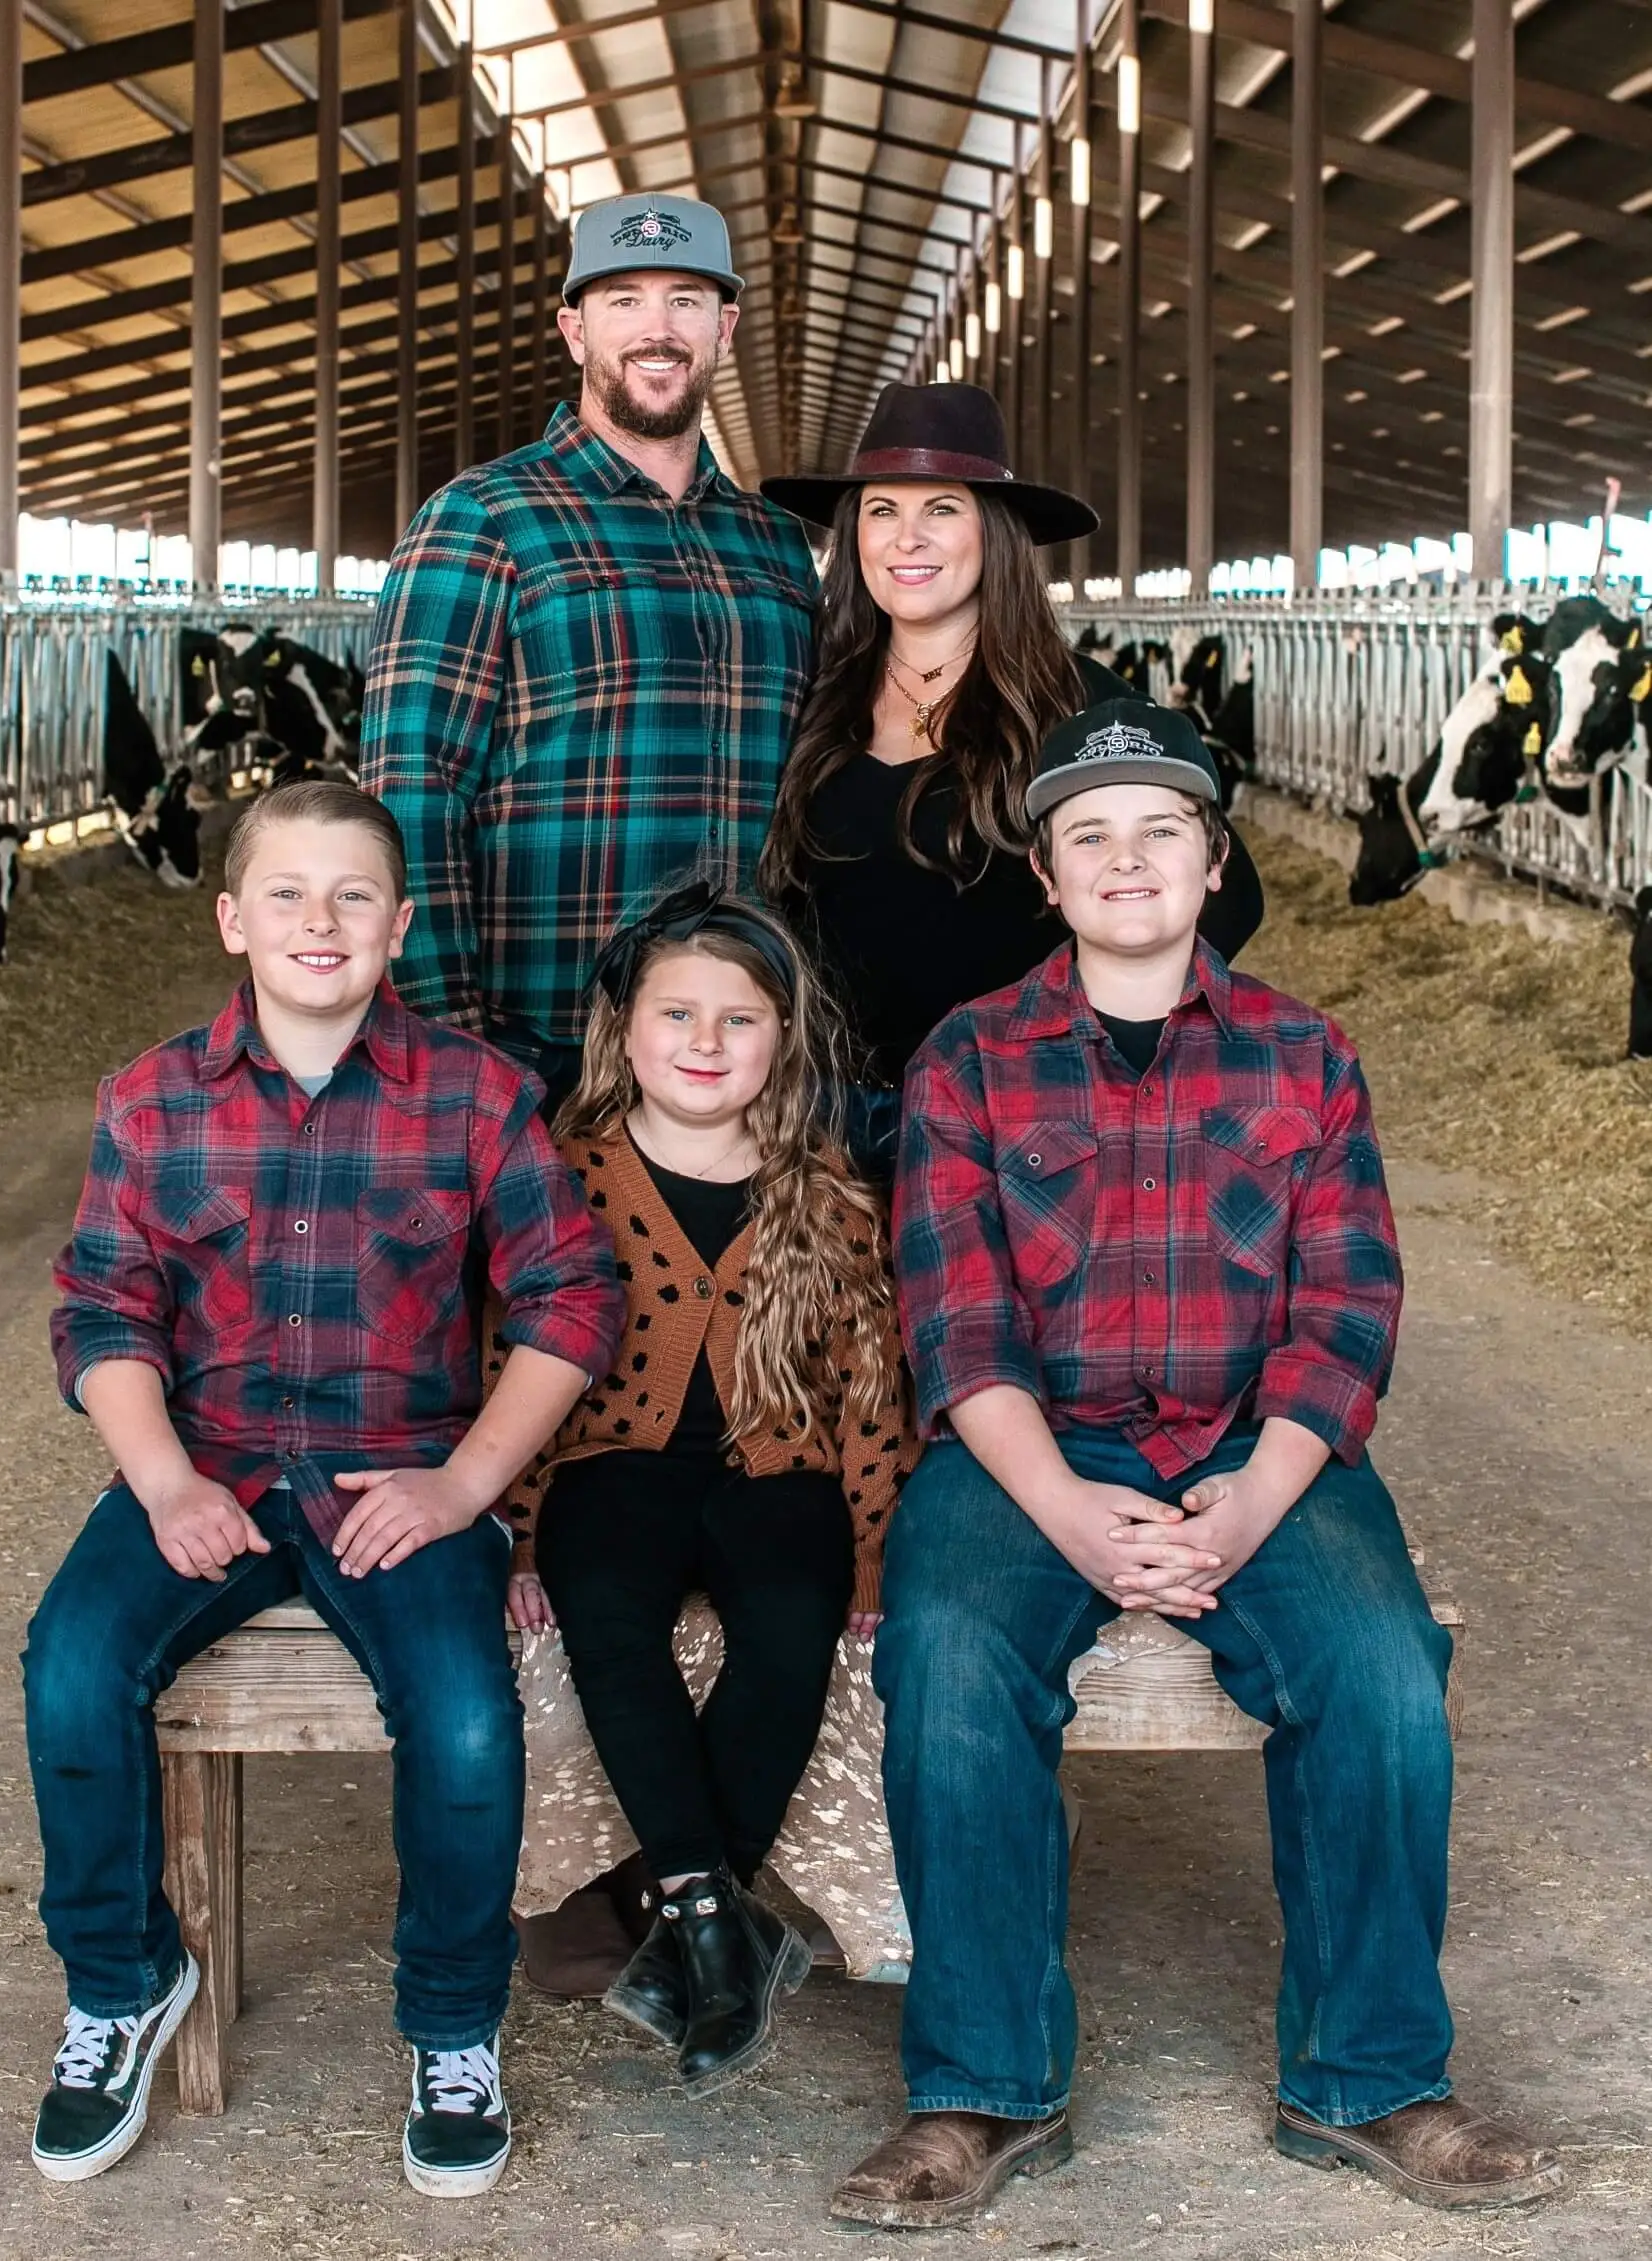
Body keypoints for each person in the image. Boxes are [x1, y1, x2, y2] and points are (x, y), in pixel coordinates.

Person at [830, 704, 1561, 2226]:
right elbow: (956, 1323)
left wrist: (1262, 1493)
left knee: (1380, 1668)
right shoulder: (970, 1058)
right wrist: (1068, 1516)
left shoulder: (1306, 1053)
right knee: (949, 1651)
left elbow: (1347, 1303)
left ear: (1213, 858)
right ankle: (981, 2086)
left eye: (1160, 828)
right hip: (1037, 1444)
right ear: (1046, 874)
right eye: (1088, 833)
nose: (1126, 858)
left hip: (1260, 1442)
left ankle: (1371, 2079)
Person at [21, 781, 623, 2196]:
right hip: (210, 1462)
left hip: (391, 1474)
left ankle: (453, 2023)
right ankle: (121, 1981)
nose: (320, 921)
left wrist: (467, 1483)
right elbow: (101, 1311)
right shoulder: (151, 1098)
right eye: (286, 892)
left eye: (355, 895)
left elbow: (570, 1297)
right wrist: (163, 1482)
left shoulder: (479, 1095)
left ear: (400, 924)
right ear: (232, 919)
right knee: (70, 1664)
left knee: (468, 1716)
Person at [500, 882, 914, 2094]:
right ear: (622, 1027)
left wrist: (876, 1556)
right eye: (675, 1013)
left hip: (775, 1462)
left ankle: (693, 1907)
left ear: (783, 1039)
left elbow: (870, 1390)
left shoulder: (822, 1186)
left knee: (792, 1618)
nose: (703, 1043)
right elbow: (506, 1358)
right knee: (607, 1618)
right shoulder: (563, 1172)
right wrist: (519, 1538)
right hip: (606, 1465)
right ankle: (716, 1916)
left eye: (738, 1020)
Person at [361, 194, 818, 1116]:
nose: (659, 328)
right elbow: (411, 793)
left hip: (747, 1045)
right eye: (625, 301)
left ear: (724, 328)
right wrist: (452, 1056)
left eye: (687, 300)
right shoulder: (484, 519)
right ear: (576, 331)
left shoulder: (777, 547)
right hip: (551, 1045)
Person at [759, 382, 1263, 1180]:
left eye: (943, 509)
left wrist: (1084, 1049)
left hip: (1019, 1125)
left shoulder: (1080, 708)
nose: (906, 538)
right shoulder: (807, 693)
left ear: (994, 529)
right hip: (823, 1129)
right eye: (881, 510)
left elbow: (1224, 896)